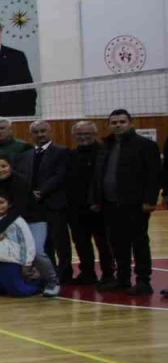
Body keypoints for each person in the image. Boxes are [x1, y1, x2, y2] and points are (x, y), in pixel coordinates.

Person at [92, 109, 161, 295]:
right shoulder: (106, 145)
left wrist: (150, 200)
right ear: (109, 125)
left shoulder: (146, 145)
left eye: (122, 122)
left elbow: (154, 175)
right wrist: (97, 199)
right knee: (117, 243)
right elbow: (98, 175)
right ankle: (122, 279)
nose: (118, 125)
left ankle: (143, 281)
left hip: (135, 204)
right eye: (114, 122)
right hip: (110, 204)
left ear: (131, 123)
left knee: (139, 243)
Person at [0, 155, 61, 297]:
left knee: (37, 252)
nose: (0, 170)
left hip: (32, 220)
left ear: (11, 167)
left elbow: (18, 208)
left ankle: (52, 281)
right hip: (6, 220)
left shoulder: (21, 181)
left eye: (4, 166)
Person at [17, 121, 70, 283]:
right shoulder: (26, 155)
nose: (40, 135)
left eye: (43, 131)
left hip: (55, 204)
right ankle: (48, 273)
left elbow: (60, 175)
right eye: (36, 132)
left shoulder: (61, 151)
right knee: (43, 244)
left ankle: (65, 274)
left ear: (50, 132)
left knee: (60, 241)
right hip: (34, 207)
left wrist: (41, 191)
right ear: (30, 134)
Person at [64, 121, 112, 285]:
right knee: (81, 243)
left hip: (99, 208)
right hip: (76, 208)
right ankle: (87, 273)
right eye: (79, 134)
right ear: (74, 135)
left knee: (103, 243)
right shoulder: (71, 155)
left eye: (87, 134)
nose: (83, 137)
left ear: (94, 134)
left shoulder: (104, 153)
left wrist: (99, 201)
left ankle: (108, 275)